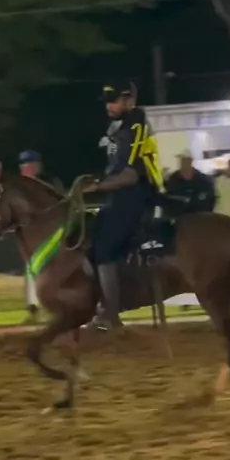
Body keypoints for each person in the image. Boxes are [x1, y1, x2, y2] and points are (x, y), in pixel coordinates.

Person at [83, 79, 163, 330]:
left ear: (130, 101)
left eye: (114, 101)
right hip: (118, 196)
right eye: (107, 101)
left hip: (135, 194)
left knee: (104, 250)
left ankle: (111, 313)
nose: (109, 106)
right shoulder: (119, 127)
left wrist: (98, 187)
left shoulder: (135, 125)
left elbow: (130, 175)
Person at [18, 150, 65, 322]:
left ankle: (54, 307)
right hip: (31, 236)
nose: (27, 169)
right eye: (24, 166)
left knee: (48, 269)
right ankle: (33, 308)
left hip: (53, 233)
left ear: (38, 166)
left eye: (31, 165)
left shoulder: (49, 182)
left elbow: (61, 203)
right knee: (32, 268)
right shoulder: (19, 185)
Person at [165, 149, 216, 214]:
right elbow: (168, 199)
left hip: (199, 217)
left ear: (191, 161)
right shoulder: (173, 179)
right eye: (182, 160)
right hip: (178, 217)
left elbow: (210, 200)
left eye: (186, 160)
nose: (184, 163)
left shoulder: (203, 180)